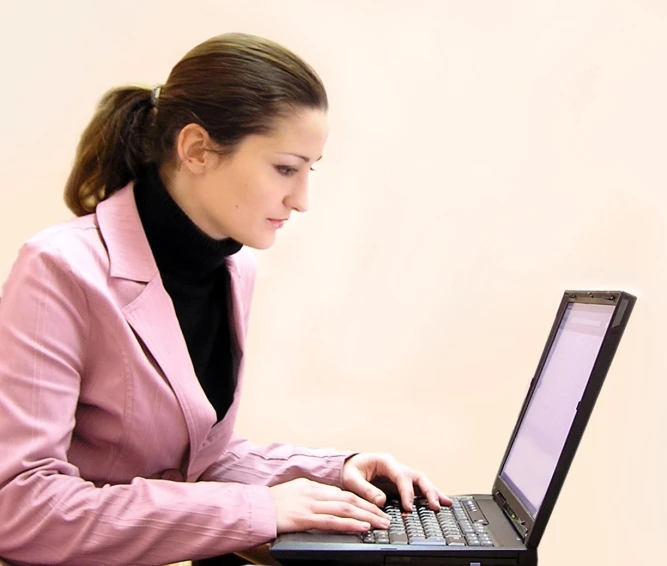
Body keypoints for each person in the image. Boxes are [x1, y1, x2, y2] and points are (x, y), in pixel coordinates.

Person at [0, 32, 451, 566]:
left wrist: (335, 470)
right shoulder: (59, 268)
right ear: (196, 150)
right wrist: (256, 510)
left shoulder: (233, 268)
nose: (302, 199)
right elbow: (19, 507)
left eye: (311, 169)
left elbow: (192, 461)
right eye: (286, 168)